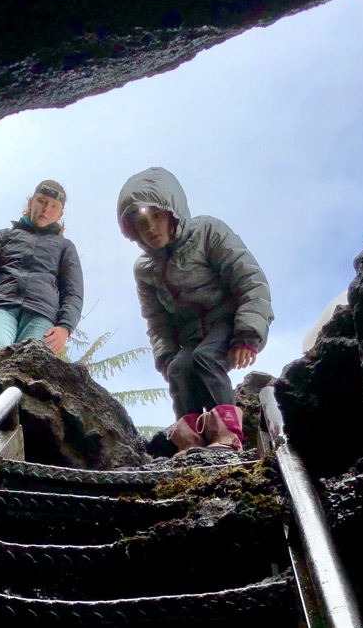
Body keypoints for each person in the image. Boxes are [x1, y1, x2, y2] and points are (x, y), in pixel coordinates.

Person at [116, 167, 273, 453]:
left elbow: (250, 280)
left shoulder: (207, 232)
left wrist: (247, 335)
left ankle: (228, 435)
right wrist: (165, 357)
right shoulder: (145, 269)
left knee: (205, 358)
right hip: (190, 336)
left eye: (156, 215)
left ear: (173, 212)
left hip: (226, 321)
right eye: (141, 223)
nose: (151, 227)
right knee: (179, 368)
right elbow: (157, 320)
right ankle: (189, 441)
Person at [0, 180, 84, 357]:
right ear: (30, 202)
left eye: (53, 206)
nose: (46, 209)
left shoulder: (65, 247)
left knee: (33, 358)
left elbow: (73, 292)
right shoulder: (4, 236)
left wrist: (65, 327)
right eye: (41, 201)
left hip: (42, 314)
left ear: (60, 214)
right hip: (1, 305)